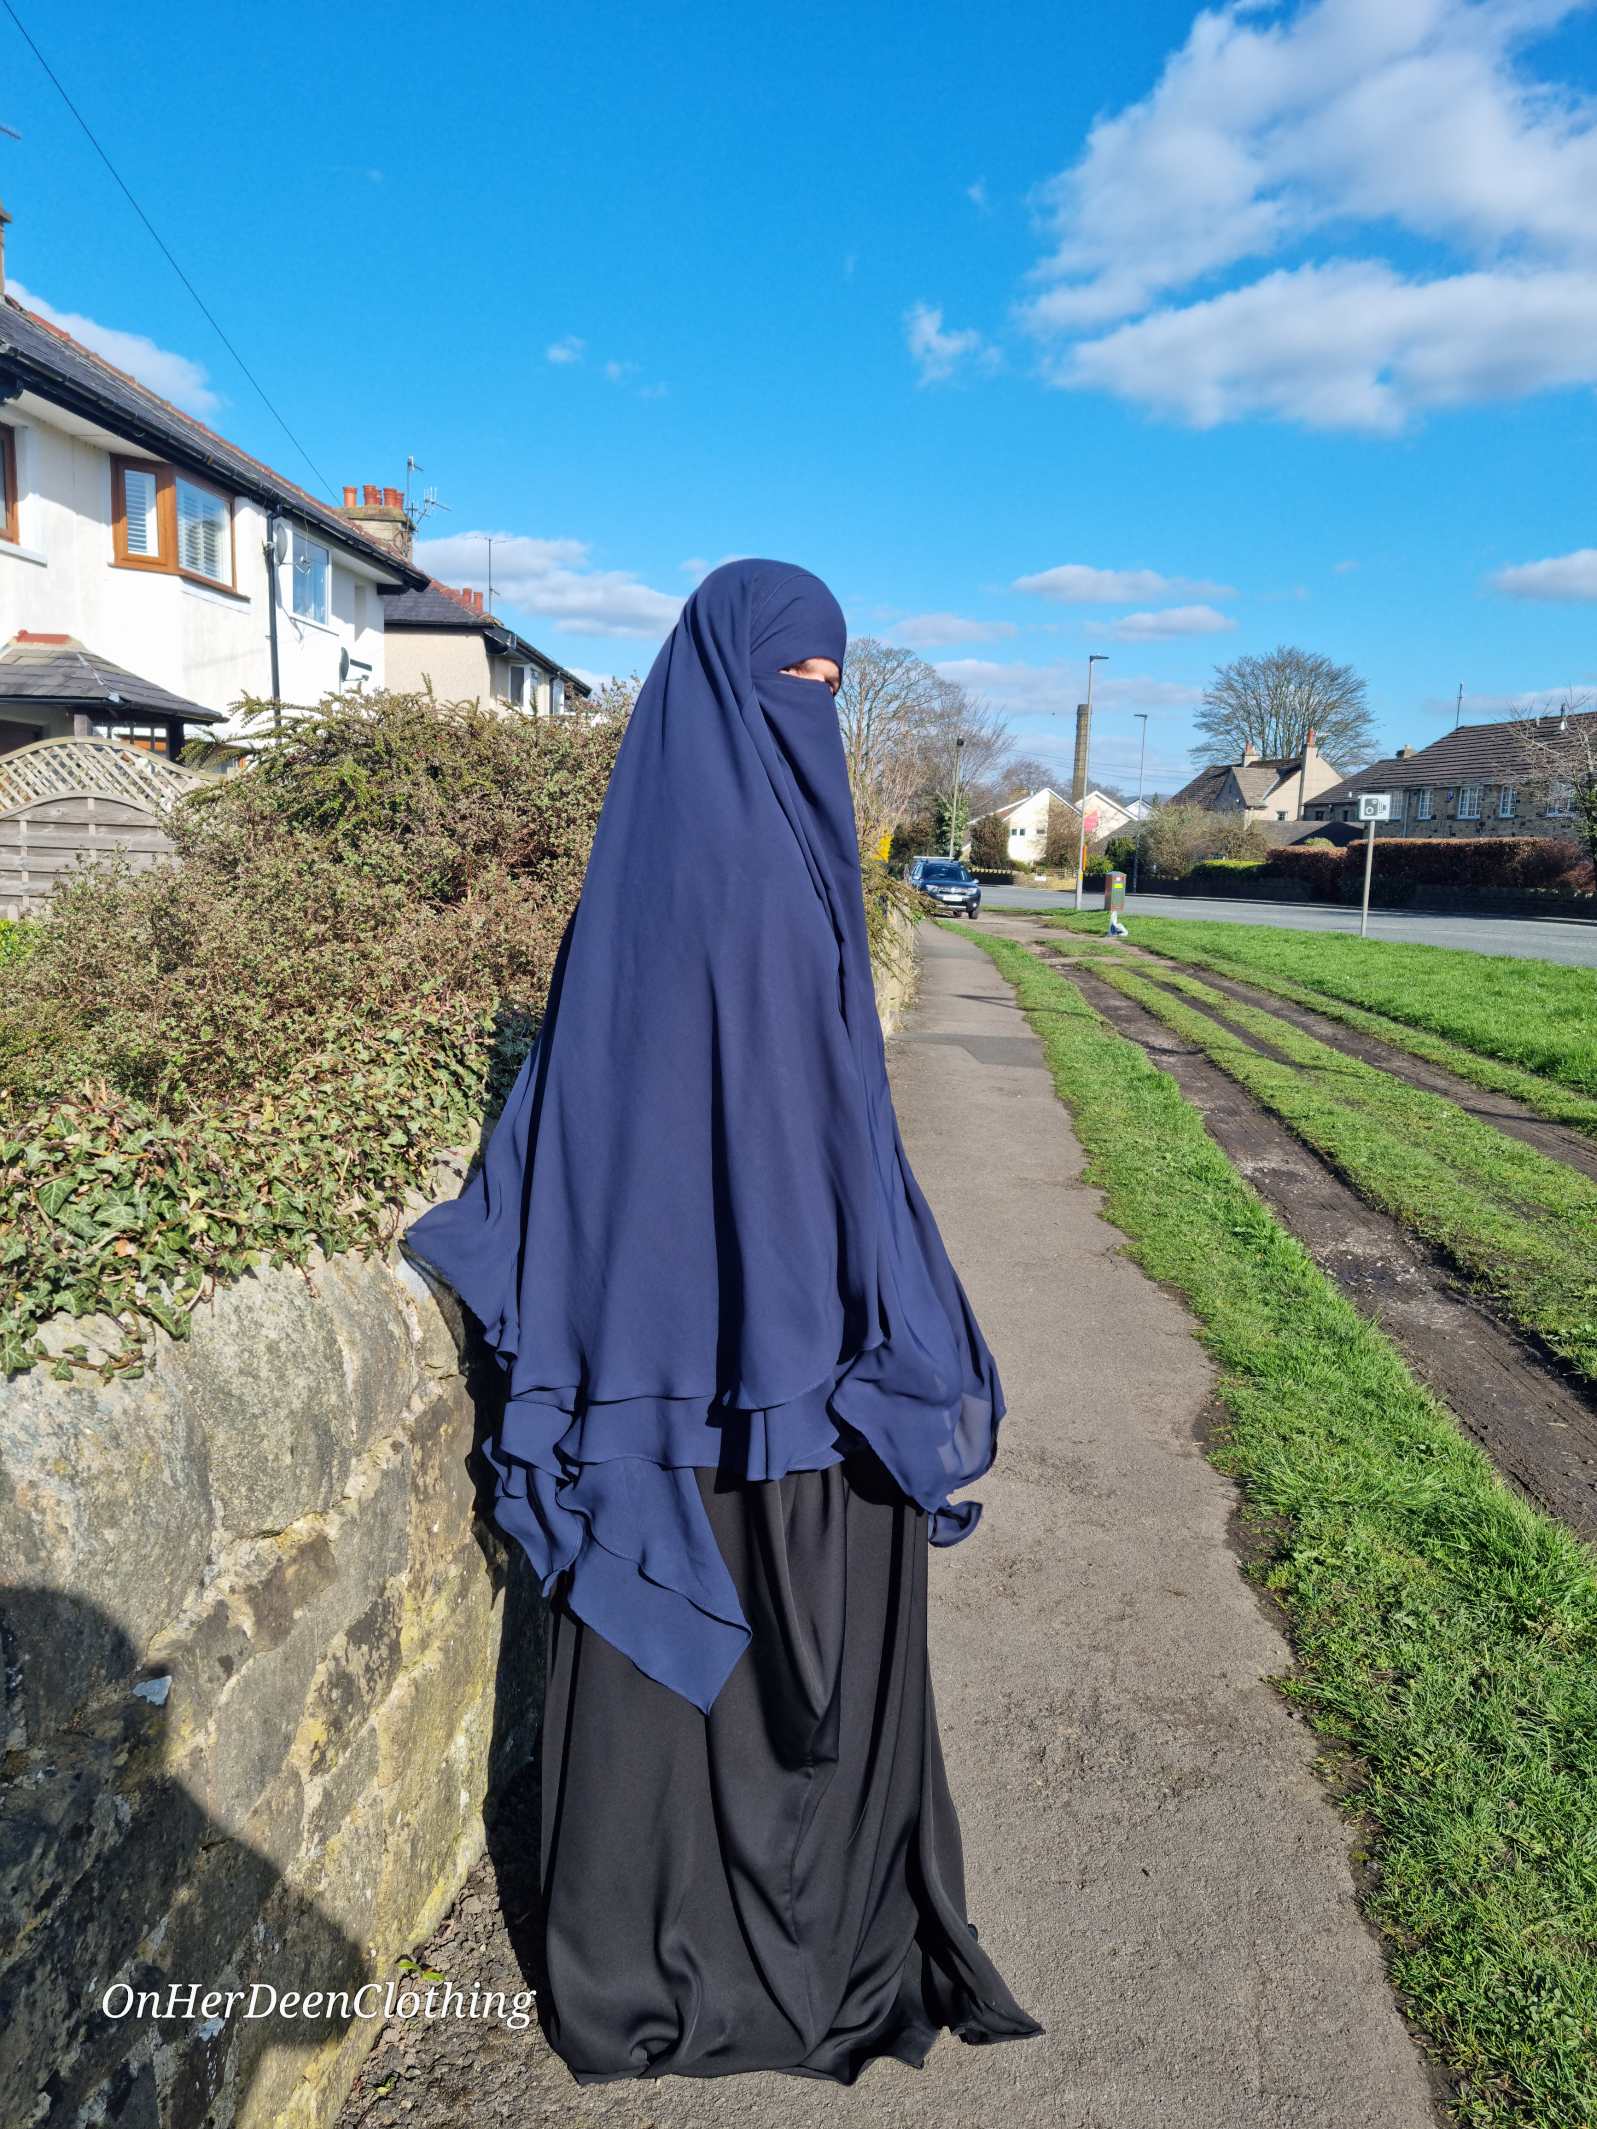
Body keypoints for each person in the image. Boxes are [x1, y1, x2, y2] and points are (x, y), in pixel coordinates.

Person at [403, 558, 1042, 2085]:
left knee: (686, 1655)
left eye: (829, 682)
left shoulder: (653, 844)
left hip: (669, 1347)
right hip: (773, 1356)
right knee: (805, 1633)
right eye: (794, 679)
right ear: (727, 677)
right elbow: (781, 1124)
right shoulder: (748, 866)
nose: (811, 709)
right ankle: (785, 1946)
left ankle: (649, 1943)